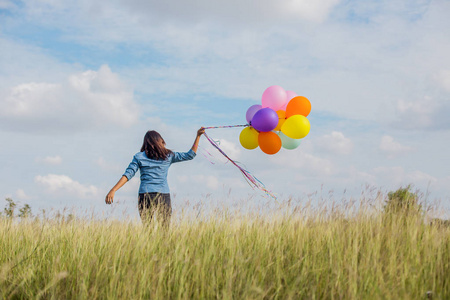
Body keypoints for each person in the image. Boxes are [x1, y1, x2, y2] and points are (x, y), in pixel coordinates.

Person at [105, 127, 205, 224]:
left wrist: (113, 190)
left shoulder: (139, 157)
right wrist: (198, 136)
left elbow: (128, 174)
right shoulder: (168, 155)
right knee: (164, 229)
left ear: (145, 143)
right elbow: (190, 155)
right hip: (163, 195)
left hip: (145, 196)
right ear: (160, 141)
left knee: (148, 229)